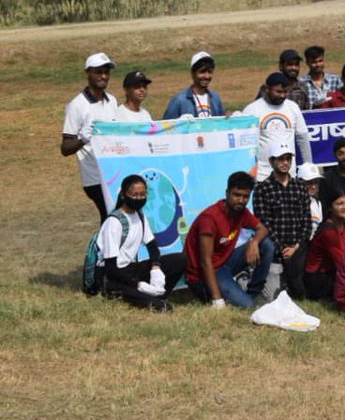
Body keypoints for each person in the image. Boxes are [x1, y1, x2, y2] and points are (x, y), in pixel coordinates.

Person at [184, 171, 275, 309]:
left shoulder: (241, 212)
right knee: (248, 306)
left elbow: (262, 229)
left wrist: (254, 242)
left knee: (266, 245)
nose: (241, 200)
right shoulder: (209, 218)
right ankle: (220, 295)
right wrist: (217, 300)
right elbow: (205, 261)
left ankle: (254, 292)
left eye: (245, 197)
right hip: (204, 274)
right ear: (227, 193)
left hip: (225, 264)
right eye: (236, 195)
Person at [95, 174, 186, 310]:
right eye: (135, 194)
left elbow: (152, 246)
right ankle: (144, 296)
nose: (139, 198)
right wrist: (138, 285)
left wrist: (156, 267)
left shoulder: (139, 215)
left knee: (181, 259)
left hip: (132, 269)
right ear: (124, 195)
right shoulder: (114, 223)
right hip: (114, 277)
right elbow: (111, 268)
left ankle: (157, 294)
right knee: (163, 308)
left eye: (143, 194)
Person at [62, 52, 120, 220]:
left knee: (115, 217)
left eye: (106, 72)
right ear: (88, 73)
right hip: (94, 177)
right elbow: (65, 148)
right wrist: (82, 140)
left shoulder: (112, 101)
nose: (103, 76)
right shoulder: (77, 106)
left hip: (114, 171)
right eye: (98, 72)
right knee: (110, 216)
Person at [253, 140, 311, 299]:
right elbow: (263, 223)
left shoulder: (300, 186)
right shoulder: (262, 188)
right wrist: (282, 248)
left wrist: (297, 245)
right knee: (273, 296)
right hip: (274, 250)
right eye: (280, 159)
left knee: (300, 291)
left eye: (288, 158)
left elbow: (307, 219)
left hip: (298, 247)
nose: (285, 163)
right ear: (271, 161)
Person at [243, 71, 313, 178]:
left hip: (289, 174)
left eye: (286, 92)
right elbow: (244, 142)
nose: (282, 95)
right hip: (263, 175)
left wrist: (308, 166)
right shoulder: (252, 110)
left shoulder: (293, 107)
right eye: (278, 92)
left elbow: (302, 137)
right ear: (267, 89)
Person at [303, 185, 345, 301]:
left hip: (334, 272)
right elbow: (342, 262)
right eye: (339, 204)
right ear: (330, 207)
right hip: (318, 279)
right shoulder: (328, 231)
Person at [163, 51, 225, 119]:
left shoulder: (215, 98)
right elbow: (166, 126)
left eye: (210, 72)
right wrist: (180, 121)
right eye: (202, 72)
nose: (207, 76)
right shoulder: (179, 100)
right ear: (192, 73)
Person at [298, 162, 324, 236]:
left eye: (316, 182)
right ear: (300, 182)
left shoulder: (317, 203)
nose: (313, 186)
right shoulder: (294, 202)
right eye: (309, 183)